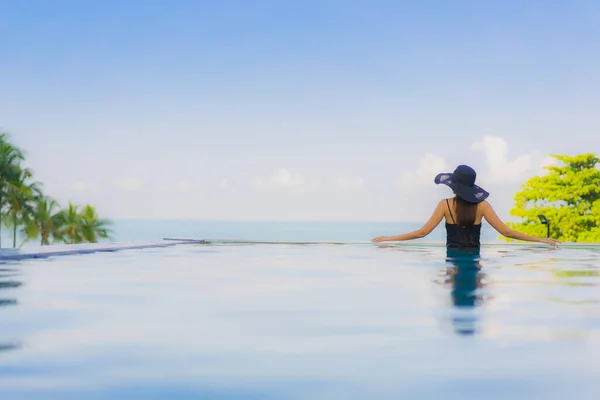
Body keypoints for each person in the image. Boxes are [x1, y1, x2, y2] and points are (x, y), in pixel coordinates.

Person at [371, 164, 560, 248]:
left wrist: (388, 239)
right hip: (475, 261)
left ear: (453, 185)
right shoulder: (482, 206)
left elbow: (422, 233)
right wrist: (541, 239)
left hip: (452, 262)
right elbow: (507, 232)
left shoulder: (444, 205)